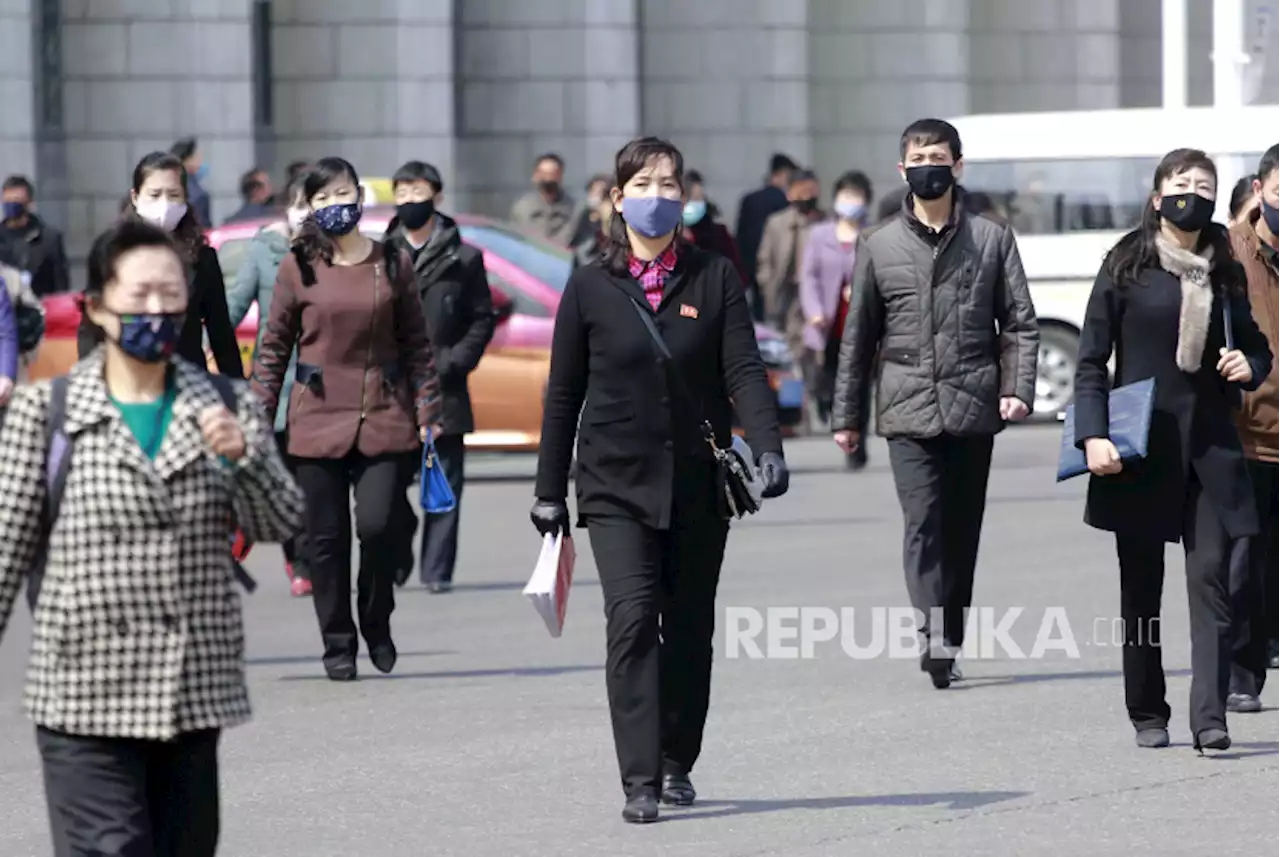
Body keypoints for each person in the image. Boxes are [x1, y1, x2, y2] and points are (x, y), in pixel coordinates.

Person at [0, 219, 304, 856]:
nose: (158, 310)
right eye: (139, 296)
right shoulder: (46, 413)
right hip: (82, 695)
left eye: (171, 293)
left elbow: (281, 522)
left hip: (188, 695)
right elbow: (5, 553)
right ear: (96, 308)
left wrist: (243, 458)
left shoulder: (225, 404)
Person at [531, 136, 790, 824]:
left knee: (690, 626)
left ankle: (678, 757)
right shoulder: (590, 284)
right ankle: (639, 777)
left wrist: (767, 445)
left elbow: (742, 369)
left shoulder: (714, 276)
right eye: (642, 184)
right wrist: (548, 489)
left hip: (698, 483)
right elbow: (563, 393)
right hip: (614, 483)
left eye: (669, 184)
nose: (658, 195)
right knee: (633, 620)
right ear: (617, 199)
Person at [1074, 148, 1272, 752]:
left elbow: (1258, 347)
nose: (1195, 192)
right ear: (1158, 197)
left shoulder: (1226, 267)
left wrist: (1249, 364)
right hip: (1139, 444)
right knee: (1141, 587)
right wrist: (1093, 434)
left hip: (1211, 445)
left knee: (1211, 578)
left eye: (1205, 184)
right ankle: (1146, 709)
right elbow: (1089, 361)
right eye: (1181, 183)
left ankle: (1210, 717)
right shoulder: (1126, 264)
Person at [832, 118, 1039, 690]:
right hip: (907, 406)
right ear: (902, 169)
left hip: (973, 404)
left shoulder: (991, 239)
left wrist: (1016, 390)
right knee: (923, 521)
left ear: (957, 166)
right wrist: (846, 418)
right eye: (918, 156)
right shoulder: (878, 244)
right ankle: (932, 633)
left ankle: (950, 632)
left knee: (961, 529)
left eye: (939, 156)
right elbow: (859, 338)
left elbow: (1020, 322)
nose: (929, 165)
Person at [250, 157, 442, 682]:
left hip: (384, 412)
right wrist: (258, 417)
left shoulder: (394, 262)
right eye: (323, 198)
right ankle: (338, 641)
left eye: (343, 194)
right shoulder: (299, 266)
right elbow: (273, 348)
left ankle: (376, 619)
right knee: (326, 539)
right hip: (316, 417)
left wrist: (429, 409)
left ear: (360, 196)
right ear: (310, 207)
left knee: (379, 525)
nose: (336, 206)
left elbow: (418, 345)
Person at [384, 160, 495, 592]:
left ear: (437, 196)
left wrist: (455, 359)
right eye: (403, 194)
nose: (411, 202)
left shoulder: (463, 257)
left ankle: (437, 571)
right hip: (391, 390)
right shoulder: (380, 255)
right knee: (388, 490)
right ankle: (397, 555)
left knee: (444, 483)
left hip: (444, 386)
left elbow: (482, 318)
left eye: (418, 193)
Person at [77, 152, 243, 378]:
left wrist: (236, 392)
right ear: (135, 197)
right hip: (126, 378)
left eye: (173, 195)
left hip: (187, 381)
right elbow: (90, 330)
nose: (164, 204)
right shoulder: (112, 252)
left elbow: (220, 332)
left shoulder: (202, 258)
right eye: (154, 194)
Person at [227, 172, 313, 597]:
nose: (307, 212)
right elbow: (235, 303)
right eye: (300, 203)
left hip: (325, 384)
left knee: (320, 478)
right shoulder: (265, 250)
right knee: (287, 477)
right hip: (277, 383)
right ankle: (299, 561)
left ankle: (318, 557)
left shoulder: (333, 252)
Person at [1229, 146, 1280, 703]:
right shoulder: (1230, 253)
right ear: (1261, 190)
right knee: (1243, 560)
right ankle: (1242, 677)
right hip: (1247, 430)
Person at [800, 170, 873, 460]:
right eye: (845, 196)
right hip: (828, 323)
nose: (850, 202)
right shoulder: (819, 235)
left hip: (861, 322)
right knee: (828, 380)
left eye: (855, 196)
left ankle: (857, 444)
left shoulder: (873, 234)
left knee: (860, 385)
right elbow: (808, 276)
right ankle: (831, 411)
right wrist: (814, 311)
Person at [757, 168, 825, 410]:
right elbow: (765, 259)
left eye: (811, 191)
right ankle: (794, 408)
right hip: (787, 296)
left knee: (816, 352)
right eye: (802, 191)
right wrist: (767, 285)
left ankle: (818, 397)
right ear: (791, 193)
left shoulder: (824, 222)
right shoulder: (777, 223)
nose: (807, 196)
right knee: (789, 354)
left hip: (817, 297)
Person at [735, 153, 797, 320]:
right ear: (782, 174)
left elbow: (740, 237)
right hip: (779, 267)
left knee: (758, 313)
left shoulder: (749, 199)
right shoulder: (784, 202)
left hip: (751, 266)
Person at [1, 175, 70, 296]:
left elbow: (60, 285)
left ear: (29, 203)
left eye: (17, 200)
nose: (11, 205)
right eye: (8, 201)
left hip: (37, 308)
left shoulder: (48, 239)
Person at [680, 169, 748, 285]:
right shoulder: (667, 235)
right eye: (694, 200)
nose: (699, 204)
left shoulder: (718, 234)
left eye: (701, 199)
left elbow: (737, 273)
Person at [510, 153, 577, 245]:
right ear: (535, 176)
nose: (548, 179)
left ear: (561, 176)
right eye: (544, 174)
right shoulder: (522, 208)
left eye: (553, 174)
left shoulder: (576, 211)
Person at [171, 137, 212, 226]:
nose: (200, 161)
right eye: (196, 157)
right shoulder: (198, 195)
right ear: (188, 161)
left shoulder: (166, 186)